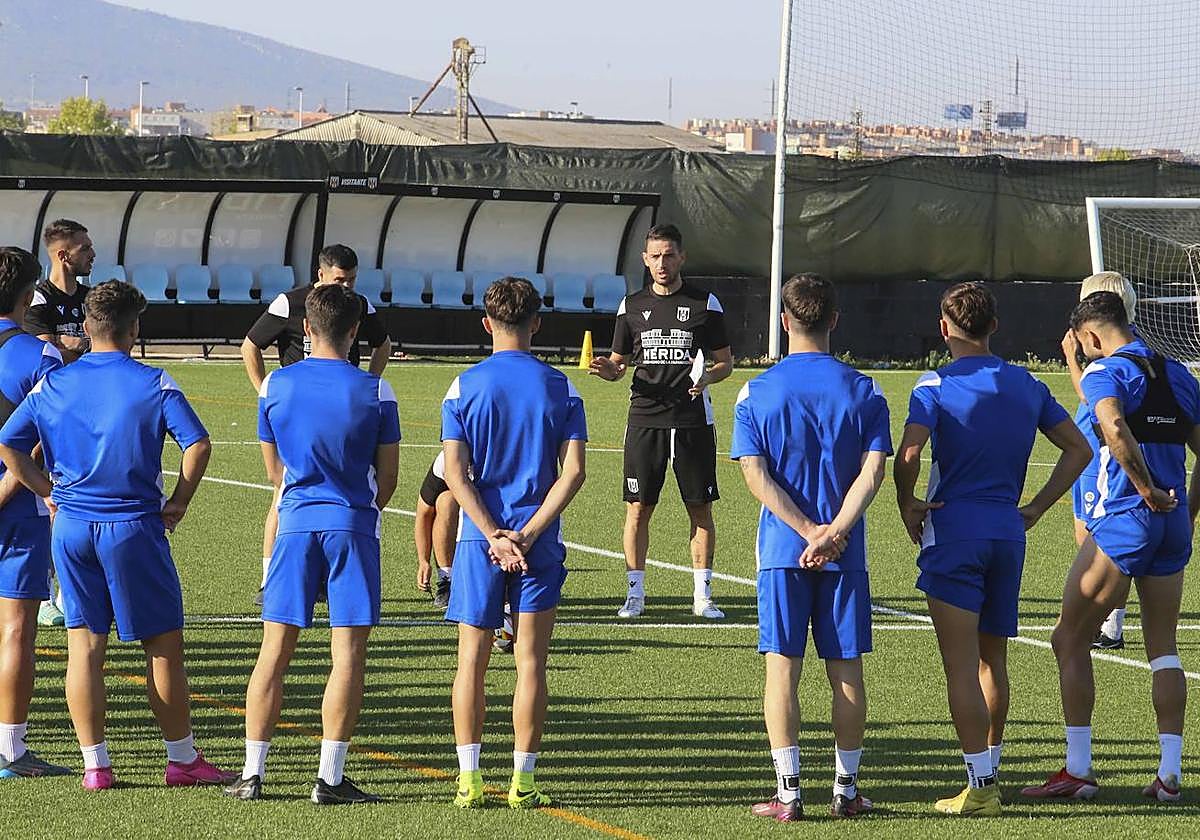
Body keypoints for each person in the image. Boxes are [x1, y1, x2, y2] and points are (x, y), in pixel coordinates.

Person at [0, 280, 232, 791]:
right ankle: (181, 759)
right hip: (132, 526)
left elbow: (9, 443)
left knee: (84, 646)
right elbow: (197, 444)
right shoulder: (153, 381)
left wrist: (47, 491)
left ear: (86, 326)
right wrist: (179, 502)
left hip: (71, 528)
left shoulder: (55, 383)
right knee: (162, 644)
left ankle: (96, 766)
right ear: (134, 329)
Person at [894, 282, 1090, 817]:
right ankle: (989, 772)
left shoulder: (935, 383)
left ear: (944, 328)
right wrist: (1038, 506)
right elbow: (1079, 449)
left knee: (960, 667)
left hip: (954, 531)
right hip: (1007, 532)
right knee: (992, 660)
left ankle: (980, 787)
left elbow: (909, 452)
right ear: (994, 327)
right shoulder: (1027, 383)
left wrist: (907, 501)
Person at [224, 284, 400, 805]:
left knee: (274, 652)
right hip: (352, 526)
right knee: (347, 655)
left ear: (305, 328)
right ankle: (330, 777)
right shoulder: (376, 390)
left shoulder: (275, 385)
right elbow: (388, 478)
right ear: (355, 332)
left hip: (296, 524)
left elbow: (274, 472)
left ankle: (252, 773)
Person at [1023, 291, 1200, 804]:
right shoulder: (1177, 373)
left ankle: (1078, 769)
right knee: (1163, 648)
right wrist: (1186, 512)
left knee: (1068, 638)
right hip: (1172, 525)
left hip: (1128, 519)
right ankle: (1169, 774)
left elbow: (1113, 425)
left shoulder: (1105, 372)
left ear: (1090, 336)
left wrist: (1145, 490)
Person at [732, 274, 891, 821]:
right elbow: (873, 472)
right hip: (844, 553)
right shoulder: (865, 389)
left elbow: (754, 475)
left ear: (784, 321)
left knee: (783, 670)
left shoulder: (756, 390)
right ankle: (846, 791)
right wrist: (834, 532)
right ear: (834, 320)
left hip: (783, 550)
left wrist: (806, 531)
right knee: (846, 670)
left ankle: (789, 794)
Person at [442, 276, 587, 809]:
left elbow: (454, 474)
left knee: (471, 663)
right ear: (537, 323)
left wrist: (492, 534)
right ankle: (522, 783)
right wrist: (526, 533)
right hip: (537, 541)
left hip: (478, 541)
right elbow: (573, 473)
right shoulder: (561, 386)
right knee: (530, 662)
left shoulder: (464, 386)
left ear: (486, 324)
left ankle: (469, 779)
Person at [588, 224, 732, 619]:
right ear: (645, 260)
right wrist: (608, 371)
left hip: (692, 420)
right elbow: (619, 364)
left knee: (699, 508)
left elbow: (725, 362)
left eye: (669, 255)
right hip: (644, 418)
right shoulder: (631, 306)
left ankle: (702, 596)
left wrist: (708, 378)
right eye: (655, 256)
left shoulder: (705, 304)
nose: (662, 263)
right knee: (638, 507)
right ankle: (635, 595)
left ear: (682, 257)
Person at [240, 244, 393, 606]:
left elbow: (383, 344)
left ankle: (326, 574)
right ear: (320, 275)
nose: (347, 287)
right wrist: (265, 391)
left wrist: (369, 381)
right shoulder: (289, 303)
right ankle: (270, 579)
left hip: (343, 407)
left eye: (352, 280)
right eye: (340, 280)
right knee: (283, 490)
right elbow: (250, 345)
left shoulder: (358, 305)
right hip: (297, 408)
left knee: (347, 483)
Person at [0, 246, 69, 778]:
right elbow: (43, 436)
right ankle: (10, 750)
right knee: (17, 629)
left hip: (18, 504)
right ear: (29, 295)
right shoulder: (41, 356)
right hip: (20, 509)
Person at [1062, 272, 1139, 651]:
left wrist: (1070, 360)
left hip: (1100, 450)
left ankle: (1108, 623)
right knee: (1089, 531)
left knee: (1097, 535)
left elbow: (1092, 396)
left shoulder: (1110, 353)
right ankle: (1106, 621)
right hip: (1091, 444)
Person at [25, 218, 95, 627]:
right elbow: (45, 353)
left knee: (73, 502)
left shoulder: (90, 298)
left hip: (84, 414)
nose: (93, 254)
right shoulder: (39, 298)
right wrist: (78, 345)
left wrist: (71, 345)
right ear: (63, 255)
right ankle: (49, 593)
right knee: (48, 503)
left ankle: (67, 592)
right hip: (49, 414)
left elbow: (96, 346)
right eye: (85, 248)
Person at [416, 451, 458, 609]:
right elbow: (424, 513)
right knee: (447, 501)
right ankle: (447, 579)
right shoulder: (444, 461)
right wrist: (423, 561)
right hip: (467, 514)